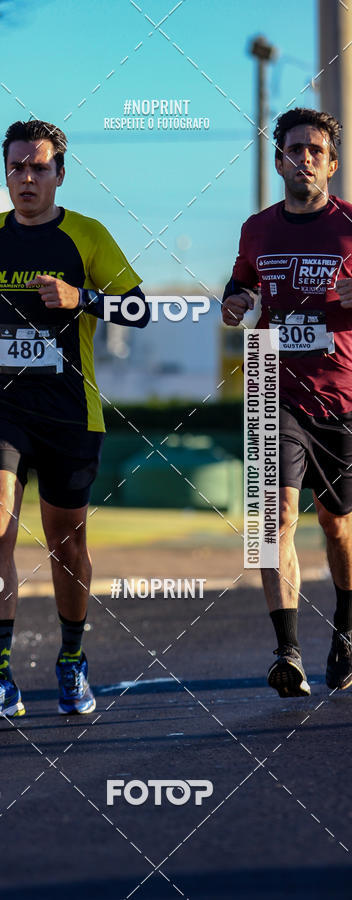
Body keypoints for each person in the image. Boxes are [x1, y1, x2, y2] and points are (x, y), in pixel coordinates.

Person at [0, 119, 149, 719]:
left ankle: (70, 660)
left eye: (38, 167)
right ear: (5, 172)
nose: (26, 178)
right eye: (16, 167)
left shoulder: (87, 236)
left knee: (67, 544)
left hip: (69, 413)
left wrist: (81, 298)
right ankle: (0, 677)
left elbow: (139, 309)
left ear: (60, 173)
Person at [223, 107, 352, 697]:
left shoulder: (351, 225)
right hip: (275, 389)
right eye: (293, 149)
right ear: (278, 161)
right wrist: (236, 300)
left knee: (339, 528)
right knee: (273, 518)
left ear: (331, 162)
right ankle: (288, 651)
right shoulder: (258, 228)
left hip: (342, 396)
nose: (303, 158)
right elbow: (243, 280)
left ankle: (345, 633)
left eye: (315, 150)